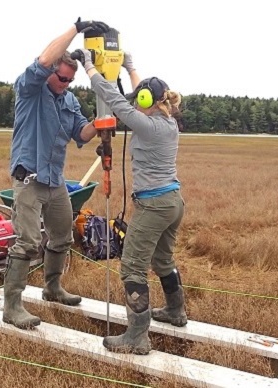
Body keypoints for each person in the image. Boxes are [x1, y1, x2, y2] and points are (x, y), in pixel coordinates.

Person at [75, 49, 187, 354]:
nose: (137, 101)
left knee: (131, 268)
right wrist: (130, 67)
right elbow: (141, 94)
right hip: (173, 202)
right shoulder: (169, 120)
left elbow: (113, 98)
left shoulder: (147, 125)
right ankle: (176, 312)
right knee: (162, 259)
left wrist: (88, 66)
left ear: (149, 103)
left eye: (141, 99)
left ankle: (137, 336)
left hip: (154, 206)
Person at [3, 19, 110, 330]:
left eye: (70, 80)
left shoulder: (69, 99)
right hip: (29, 179)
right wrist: (75, 30)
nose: (65, 83)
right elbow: (45, 59)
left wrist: (104, 121)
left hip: (55, 180)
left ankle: (53, 288)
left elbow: (82, 133)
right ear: (50, 73)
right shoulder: (29, 90)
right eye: (62, 78)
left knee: (62, 236)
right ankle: (12, 306)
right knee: (27, 242)